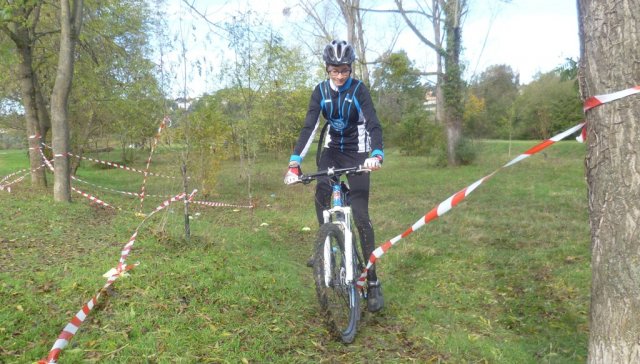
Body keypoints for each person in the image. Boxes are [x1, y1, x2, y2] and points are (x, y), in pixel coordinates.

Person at [283, 39, 385, 313]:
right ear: (327, 69)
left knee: (362, 217)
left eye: (344, 70)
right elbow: (309, 127)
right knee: (321, 194)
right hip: (332, 150)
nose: (339, 76)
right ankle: (326, 245)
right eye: (334, 70)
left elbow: (373, 122)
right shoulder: (320, 92)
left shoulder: (359, 90)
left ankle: (372, 280)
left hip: (359, 153)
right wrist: (295, 162)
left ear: (350, 69)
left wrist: (376, 154)